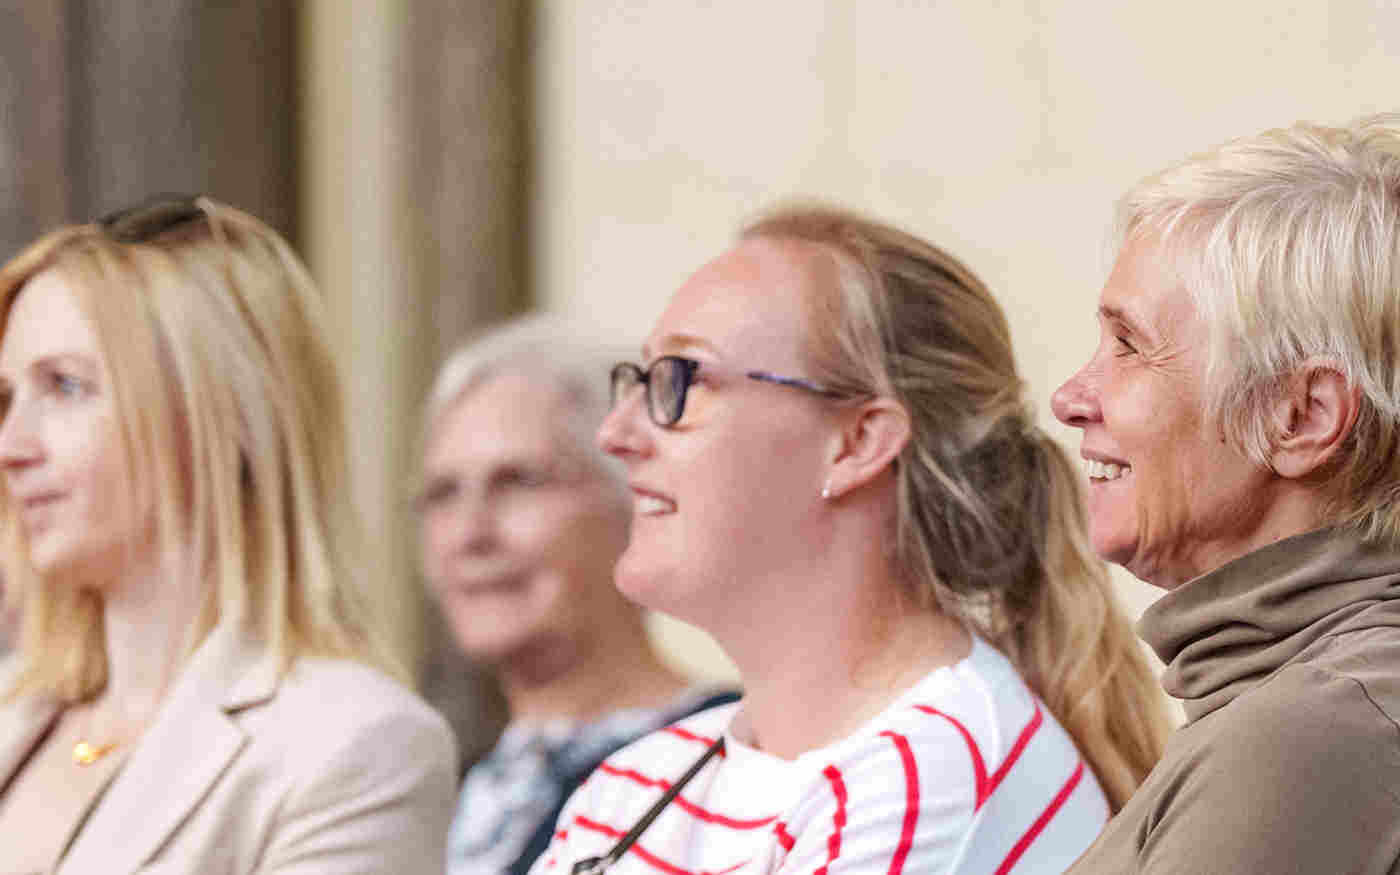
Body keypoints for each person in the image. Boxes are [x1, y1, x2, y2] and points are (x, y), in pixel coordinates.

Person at [531, 206, 1171, 875]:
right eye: (639, 379)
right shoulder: (635, 785)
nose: (616, 435)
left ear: (858, 442)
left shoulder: (941, 774)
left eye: (682, 379)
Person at [0, 196, 456, 873]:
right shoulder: (13, 706)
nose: (13, 445)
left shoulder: (354, 744)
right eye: (7, 398)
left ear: (228, 413)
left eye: (66, 386)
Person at [1053, 114, 1400, 873]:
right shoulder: (1285, 703)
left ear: (1302, 417)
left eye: (1129, 346)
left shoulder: (1313, 733)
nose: (1070, 396)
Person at [417, 318, 739, 875]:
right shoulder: (436, 787)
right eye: (443, 494)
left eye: (517, 481)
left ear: (633, 499)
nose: (469, 534)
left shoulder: (731, 757)